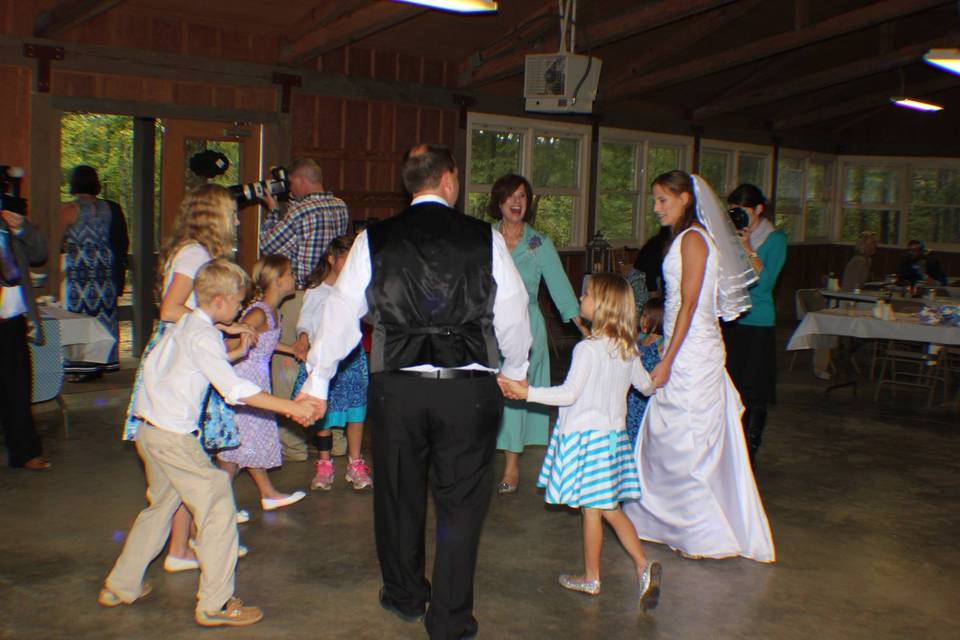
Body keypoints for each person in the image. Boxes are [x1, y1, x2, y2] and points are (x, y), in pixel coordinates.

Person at [297, 144, 532, 640]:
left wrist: (318, 381)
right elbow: (514, 309)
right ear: (449, 180)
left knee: (399, 495)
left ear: (412, 185)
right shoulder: (482, 238)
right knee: (461, 505)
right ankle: (448, 619)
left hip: (398, 390)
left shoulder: (375, 239)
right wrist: (516, 368)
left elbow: (340, 314)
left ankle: (405, 595)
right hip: (467, 391)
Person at [98, 259, 321, 628]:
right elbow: (235, 390)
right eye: (236, 303)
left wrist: (236, 350)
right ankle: (215, 604)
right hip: (173, 438)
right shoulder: (202, 334)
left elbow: (201, 362)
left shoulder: (186, 323)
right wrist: (291, 407)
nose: (239, 311)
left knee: (162, 507)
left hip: (149, 433)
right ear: (219, 301)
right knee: (218, 503)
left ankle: (120, 585)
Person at [623, 171, 775, 563]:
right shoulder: (681, 238)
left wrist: (668, 359)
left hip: (693, 348)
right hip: (682, 340)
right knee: (671, 431)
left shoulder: (693, 239)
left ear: (685, 200)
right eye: (655, 200)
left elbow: (689, 304)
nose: (656, 208)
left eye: (663, 200)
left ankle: (699, 528)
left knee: (690, 433)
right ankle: (663, 518)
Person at [498, 273, 662, 611]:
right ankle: (642, 565)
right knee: (608, 509)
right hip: (613, 442)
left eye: (586, 294)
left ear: (601, 306)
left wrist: (527, 392)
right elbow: (647, 387)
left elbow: (568, 394)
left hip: (587, 443)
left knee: (593, 511)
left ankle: (593, 577)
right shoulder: (628, 350)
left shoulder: (587, 349)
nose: (581, 298)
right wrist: (662, 370)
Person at [121, 184, 249, 571]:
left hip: (193, 347)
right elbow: (170, 309)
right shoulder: (194, 253)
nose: (237, 220)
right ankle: (184, 549)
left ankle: (184, 546)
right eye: (232, 212)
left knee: (182, 471)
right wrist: (220, 327)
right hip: (187, 355)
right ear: (215, 215)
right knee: (190, 460)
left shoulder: (193, 251)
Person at [487, 173, 586, 495]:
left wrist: (583, 328)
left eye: (522, 197)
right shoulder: (485, 239)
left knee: (516, 393)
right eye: (510, 196)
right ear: (499, 202)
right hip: (488, 327)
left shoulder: (538, 244)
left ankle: (512, 466)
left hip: (527, 327)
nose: (516, 202)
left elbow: (560, 289)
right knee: (486, 394)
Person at [259, 157, 350, 462]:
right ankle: (335, 441)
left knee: (288, 368)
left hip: (300, 295)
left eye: (291, 183)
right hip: (334, 294)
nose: (289, 189)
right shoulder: (341, 207)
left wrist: (273, 211)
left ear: (299, 180)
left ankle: (293, 446)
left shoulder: (298, 209)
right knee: (330, 365)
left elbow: (268, 245)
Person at [218, 254, 307, 511]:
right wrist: (238, 345)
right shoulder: (258, 312)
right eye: (289, 273)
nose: (293, 277)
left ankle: (265, 494)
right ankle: (220, 508)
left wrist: (290, 349)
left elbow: (265, 339)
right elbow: (235, 339)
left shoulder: (272, 312)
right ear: (278, 281)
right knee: (237, 447)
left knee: (244, 443)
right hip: (245, 381)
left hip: (258, 380)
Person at [290, 235, 373, 492]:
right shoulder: (318, 290)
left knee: (355, 411)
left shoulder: (357, 288)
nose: (349, 264)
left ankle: (355, 462)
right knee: (321, 411)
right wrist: (303, 338)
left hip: (351, 359)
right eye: (345, 258)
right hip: (324, 356)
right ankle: (324, 464)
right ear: (331, 258)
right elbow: (305, 320)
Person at [721, 184, 787, 469]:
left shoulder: (775, 239)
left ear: (758, 209)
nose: (738, 216)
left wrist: (747, 247)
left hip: (758, 321)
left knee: (754, 390)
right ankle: (729, 445)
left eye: (742, 211)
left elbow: (766, 281)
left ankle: (750, 448)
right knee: (731, 386)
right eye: (733, 211)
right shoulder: (730, 235)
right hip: (733, 319)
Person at [58, 165, 129, 377]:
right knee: (103, 317)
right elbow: (122, 242)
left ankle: (83, 367)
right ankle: (104, 362)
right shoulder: (111, 208)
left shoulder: (68, 209)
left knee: (80, 318)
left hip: (80, 274)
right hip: (105, 273)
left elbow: (57, 242)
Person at [0, 205, 50, 470]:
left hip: (11, 320)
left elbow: (40, 253)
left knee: (17, 388)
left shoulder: (10, 229)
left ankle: (26, 452)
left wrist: (21, 228)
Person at [625, 297, 664, 447]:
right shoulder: (638, 339)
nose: (643, 320)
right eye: (642, 316)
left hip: (645, 400)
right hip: (630, 395)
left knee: (640, 435)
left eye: (648, 317)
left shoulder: (662, 345)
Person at [633, 225, 672, 295]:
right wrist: (653, 297)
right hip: (642, 280)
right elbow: (650, 272)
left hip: (653, 279)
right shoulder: (656, 246)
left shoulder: (667, 245)